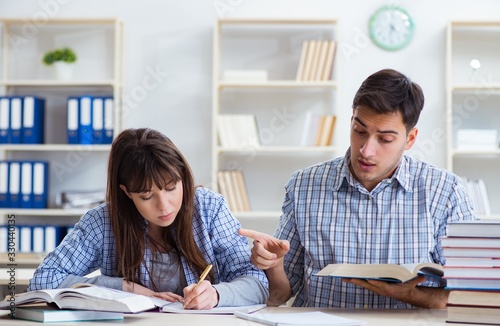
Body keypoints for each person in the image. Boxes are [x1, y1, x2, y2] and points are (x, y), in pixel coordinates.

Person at [239, 68, 478, 309]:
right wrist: (274, 264)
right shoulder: (304, 185)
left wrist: (412, 295)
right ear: (351, 120)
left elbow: (475, 295)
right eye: (360, 131)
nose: (366, 150)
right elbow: (279, 295)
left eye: (384, 139)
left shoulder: (446, 191)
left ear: (410, 139)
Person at [29, 128, 269, 309]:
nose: (164, 206)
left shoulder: (209, 208)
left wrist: (217, 295)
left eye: (171, 188)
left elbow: (257, 283)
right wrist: (125, 288)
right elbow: (43, 279)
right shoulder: (104, 221)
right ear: (126, 192)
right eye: (146, 196)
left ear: (182, 177)